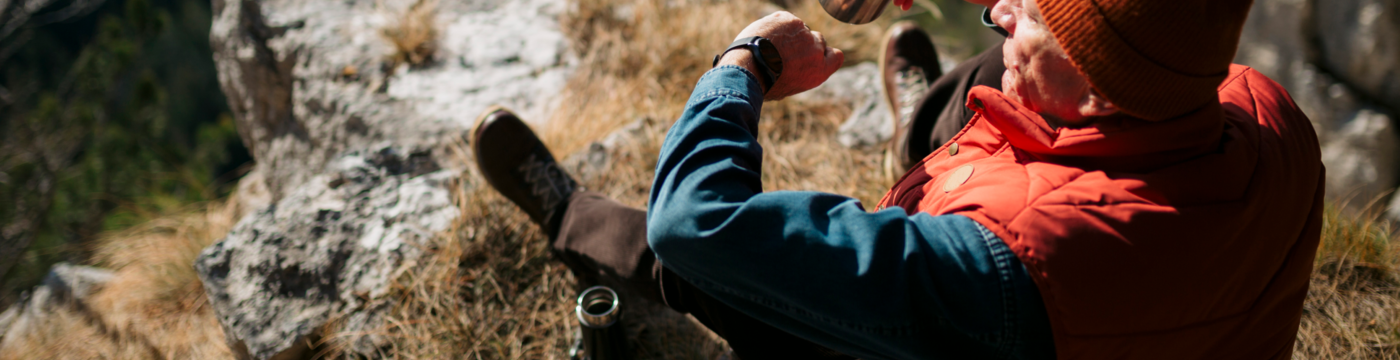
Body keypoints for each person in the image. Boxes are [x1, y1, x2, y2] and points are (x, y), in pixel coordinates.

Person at [472, 0, 1324, 358]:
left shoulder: (1001, 269)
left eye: (1028, 12)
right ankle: (916, 131)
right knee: (983, 84)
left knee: (725, 274)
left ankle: (571, 219)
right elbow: (1127, 28)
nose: (999, 8)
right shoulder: (1262, 111)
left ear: (1096, 85)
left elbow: (698, 220)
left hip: (999, 317)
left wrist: (746, 61)